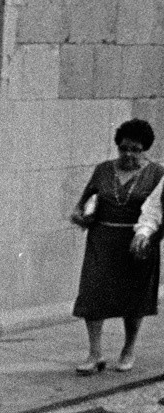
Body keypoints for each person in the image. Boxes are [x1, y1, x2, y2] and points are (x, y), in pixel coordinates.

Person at [70, 118, 163, 375]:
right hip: (102, 239)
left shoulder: (157, 174)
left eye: (135, 149)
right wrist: (80, 214)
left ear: (145, 149)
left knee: (133, 297)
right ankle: (94, 353)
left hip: (138, 243)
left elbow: (159, 212)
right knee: (92, 293)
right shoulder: (103, 170)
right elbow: (84, 200)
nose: (129, 154)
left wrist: (149, 239)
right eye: (124, 148)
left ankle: (128, 349)